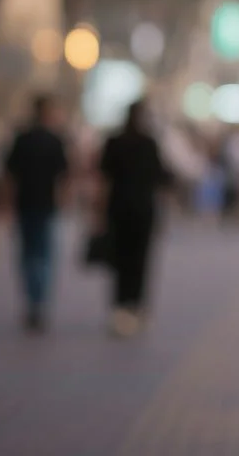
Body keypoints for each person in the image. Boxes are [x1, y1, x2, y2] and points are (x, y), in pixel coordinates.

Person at [98, 101, 170, 337]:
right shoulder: (149, 143)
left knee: (120, 259)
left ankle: (120, 307)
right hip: (143, 210)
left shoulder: (114, 141)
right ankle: (135, 306)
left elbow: (104, 178)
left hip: (118, 209)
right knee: (140, 259)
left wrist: (98, 212)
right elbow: (161, 178)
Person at [2, 95, 71, 332]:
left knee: (29, 256)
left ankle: (34, 301)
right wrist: (63, 201)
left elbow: (10, 177)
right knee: (43, 256)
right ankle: (39, 301)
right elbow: (64, 178)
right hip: (45, 206)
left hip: (27, 205)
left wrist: (6, 205)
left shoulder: (22, 139)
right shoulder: (55, 140)